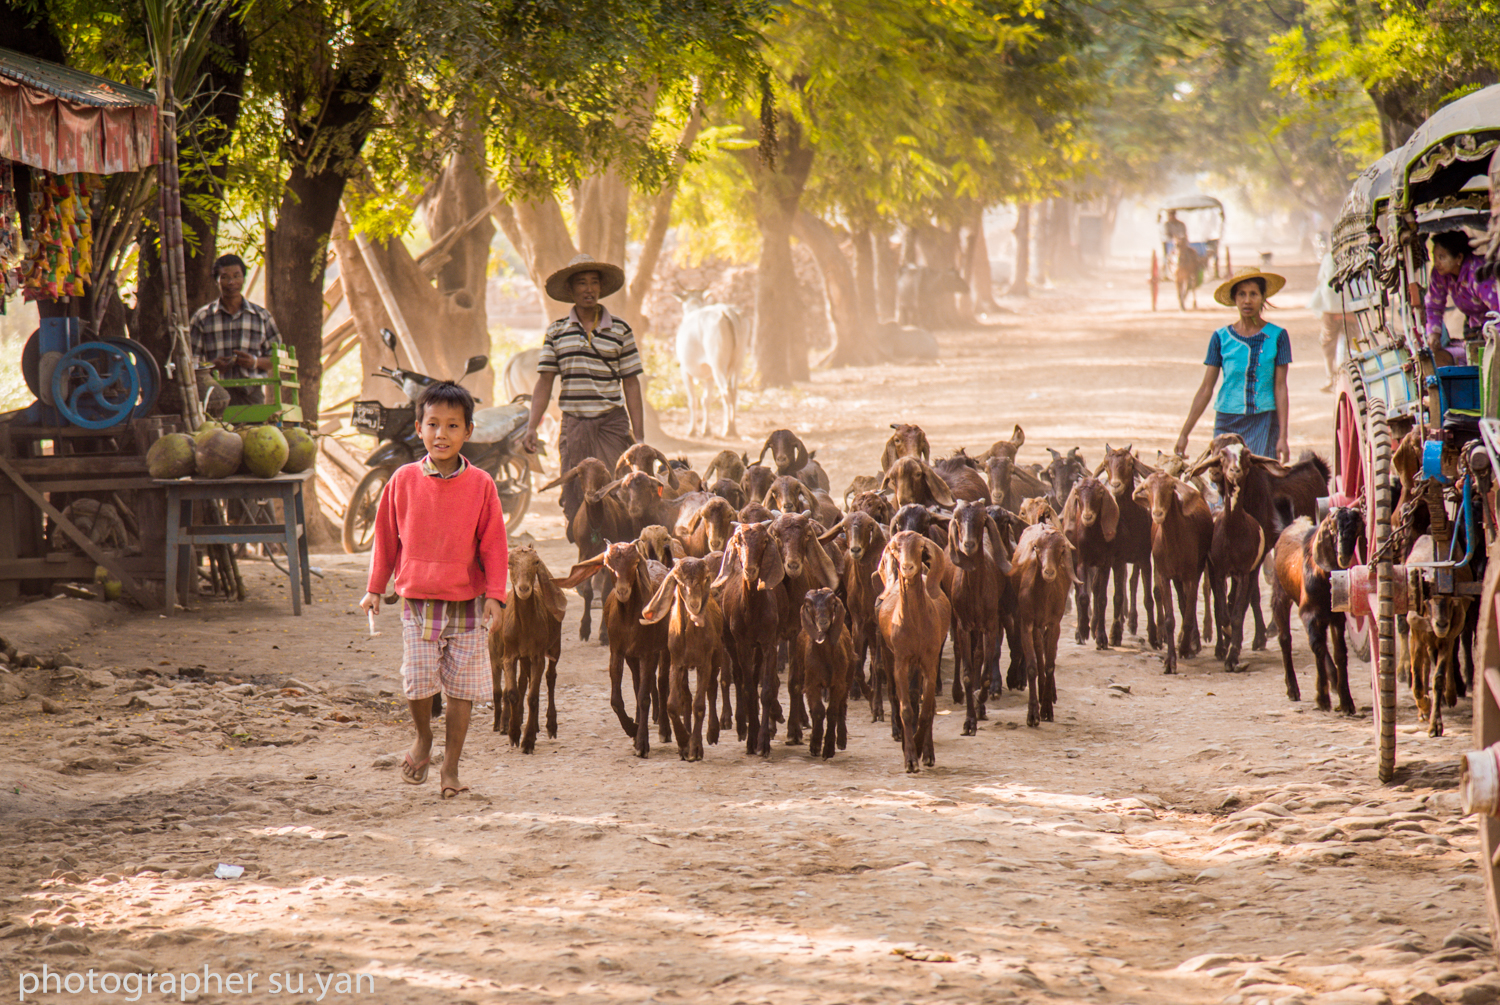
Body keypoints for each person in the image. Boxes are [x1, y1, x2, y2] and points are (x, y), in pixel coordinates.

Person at [362, 381, 509, 800]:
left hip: (467, 603)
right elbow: (385, 539)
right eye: (433, 424)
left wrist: (496, 596)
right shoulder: (403, 481)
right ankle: (424, 738)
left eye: (452, 425)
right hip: (419, 601)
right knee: (419, 683)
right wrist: (375, 588)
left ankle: (451, 766)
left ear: (468, 432)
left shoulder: (482, 485)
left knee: (461, 689)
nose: (441, 433)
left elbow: (495, 545)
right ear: (418, 429)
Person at [520, 253, 645, 527]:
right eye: (581, 283)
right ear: (570, 289)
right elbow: (545, 381)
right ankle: (588, 552)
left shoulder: (621, 330)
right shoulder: (556, 332)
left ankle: (616, 556)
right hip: (574, 428)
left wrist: (639, 435)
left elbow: (631, 383)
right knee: (576, 496)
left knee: (619, 492)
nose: (588, 289)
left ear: (601, 288)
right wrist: (532, 426)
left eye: (593, 282)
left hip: (612, 426)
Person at [1175, 267, 1292, 462]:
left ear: (1263, 297)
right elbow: (1206, 389)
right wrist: (1184, 433)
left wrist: (1283, 437)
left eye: (1253, 294)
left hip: (1264, 421)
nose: (1247, 300)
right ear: (1235, 299)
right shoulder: (1220, 338)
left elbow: (1280, 387)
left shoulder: (1278, 336)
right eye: (1242, 294)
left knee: (1260, 483)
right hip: (1227, 422)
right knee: (1224, 484)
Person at [189, 253, 282, 407]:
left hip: (251, 394)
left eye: (236, 276)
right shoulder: (202, 317)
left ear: (244, 279)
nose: (231, 282)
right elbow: (190, 361)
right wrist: (212, 366)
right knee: (215, 432)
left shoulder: (261, 316)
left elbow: (276, 358)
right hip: (213, 394)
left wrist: (254, 362)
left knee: (255, 431)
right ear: (216, 281)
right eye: (224, 277)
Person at [1424, 231, 1500, 361]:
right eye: (1435, 257)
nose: (1437, 263)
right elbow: (1433, 306)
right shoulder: (1440, 275)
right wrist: (1434, 333)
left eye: (1442, 257)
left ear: (1459, 258)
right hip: (1476, 326)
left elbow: (1498, 307)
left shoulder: (1478, 274)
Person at [1307, 250, 1356, 392]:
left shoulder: (1328, 257)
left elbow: (1320, 280)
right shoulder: (1356, 254)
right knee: (1354, 342)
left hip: (1330, 308)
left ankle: (1329, 376)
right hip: (1351, 309)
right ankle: (1354, 375)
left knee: (1327, 341)